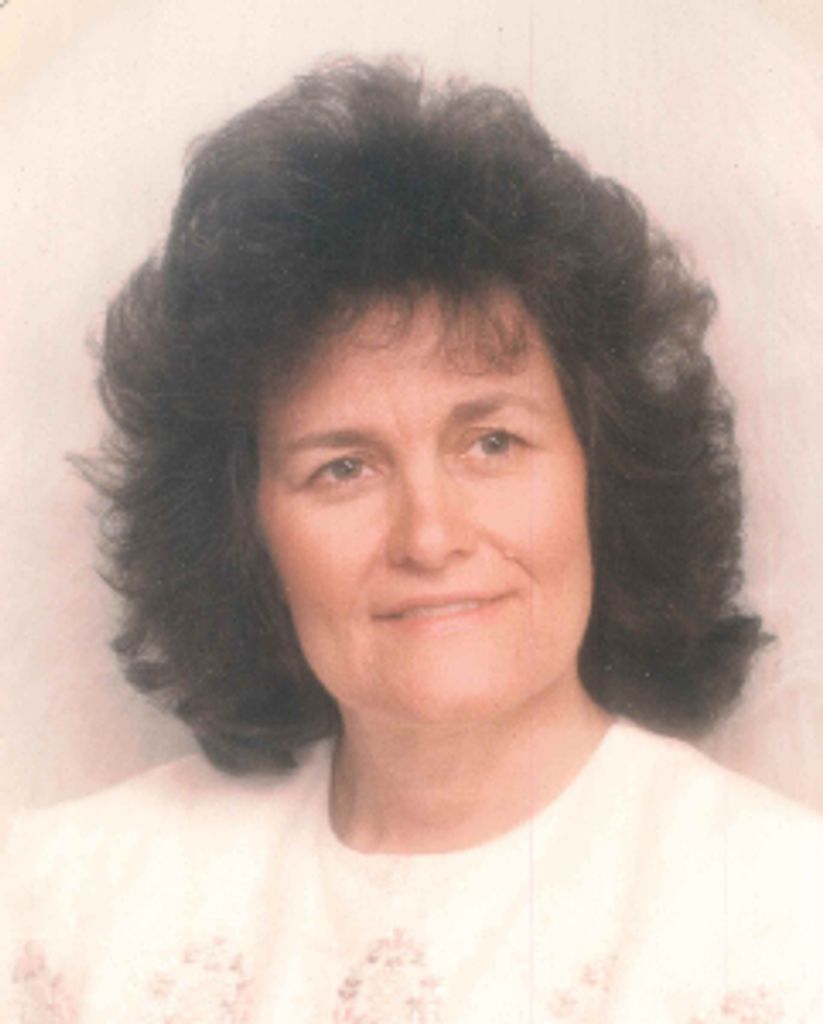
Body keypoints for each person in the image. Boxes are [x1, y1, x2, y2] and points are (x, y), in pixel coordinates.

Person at [2, 58, 822, 1023]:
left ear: (602, 475)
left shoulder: (776, 915)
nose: (428, 537)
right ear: (243, 528)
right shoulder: (66, 908)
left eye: (491, 443)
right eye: (343, 467)